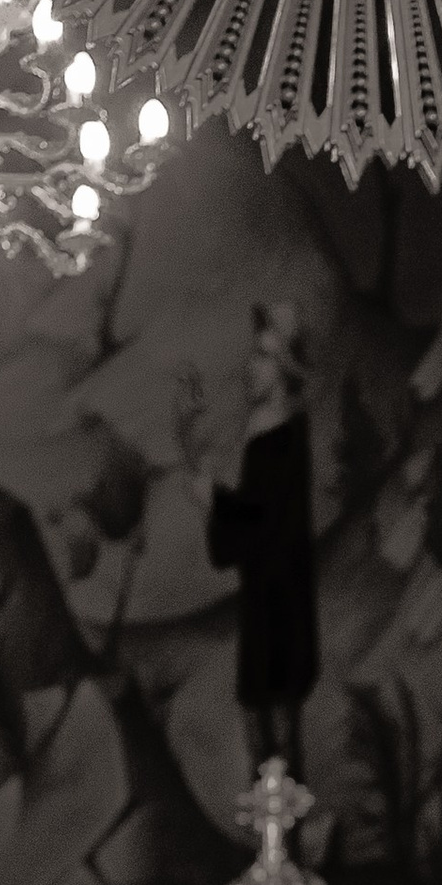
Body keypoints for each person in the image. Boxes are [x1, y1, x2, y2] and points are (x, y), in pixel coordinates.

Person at [178, 300, 320, 777]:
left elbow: (263, 526)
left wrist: (213, 500)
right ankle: (277, 841)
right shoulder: (274, 433)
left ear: (283, 368)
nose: (251, 367)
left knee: (274, 739)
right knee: (269, 736)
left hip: (278, 609)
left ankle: (280, 843)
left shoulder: (276, 436)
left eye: (263, 356)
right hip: (273, 603)